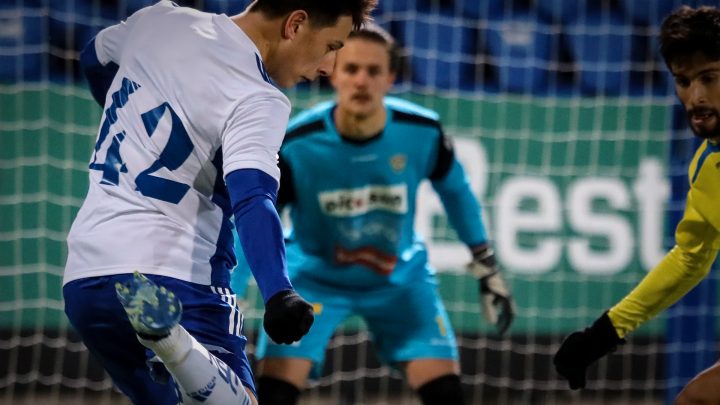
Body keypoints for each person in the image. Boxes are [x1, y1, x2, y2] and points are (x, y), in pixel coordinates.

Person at [61, 1, 375, 404]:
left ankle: (171, 342)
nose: (329, 67)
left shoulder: (160, 20)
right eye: (332, 46)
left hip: (88, 279)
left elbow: (94, 56)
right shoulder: (257, 96)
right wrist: (279, 293)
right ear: (295, 24)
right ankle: (173, 342)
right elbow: (253, 198)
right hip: (177, 279)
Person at [240, 25, 515, 405]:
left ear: (391, 78)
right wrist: (233, 292)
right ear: (333, 72)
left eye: (373, 71)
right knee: (273, 394)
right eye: (351, 69)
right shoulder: (298, 144)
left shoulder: (422, 131)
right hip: (314, 279)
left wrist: (484, 258)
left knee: (448, 395)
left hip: (398, 279)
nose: (361, 81)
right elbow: (256, 217)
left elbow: (457, 191)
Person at [554, 6, 720, 404]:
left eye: (709, 78)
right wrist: (604, 333)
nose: (694, 97)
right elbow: (690, 258)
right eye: (683, 81)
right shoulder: (706, 166)